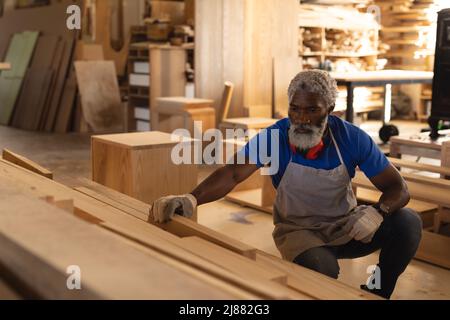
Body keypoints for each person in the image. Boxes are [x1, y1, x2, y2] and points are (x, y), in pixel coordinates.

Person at [149, 70, 422, 299]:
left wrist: (377, 212)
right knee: (320, 271)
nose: (302, 119)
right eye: (295, 108)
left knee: (408, 223)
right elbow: (232, 173)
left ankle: (377, 292)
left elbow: (399, 188)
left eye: (312, 110)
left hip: (346, 225)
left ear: (330, 109)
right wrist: (191, 198)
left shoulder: (351, 138)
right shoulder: (275, 137)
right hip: (299, 231)